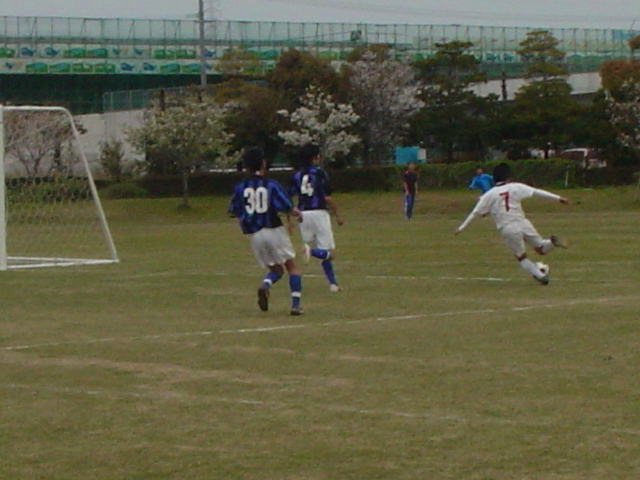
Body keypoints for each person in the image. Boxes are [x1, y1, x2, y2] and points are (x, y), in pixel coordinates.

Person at [454, 162, 569, 285]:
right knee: (541, 248)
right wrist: (558, 198)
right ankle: (551, 242)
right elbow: (536, 192)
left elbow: (475, 213)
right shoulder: (516, 186)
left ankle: (540, 276)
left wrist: (461, 227)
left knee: (521, 257)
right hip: (523, 222)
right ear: (508, 177)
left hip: (508, 227)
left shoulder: (489, 194)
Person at [228, 147, 304, 315]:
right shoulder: (270, 185)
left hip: (255, 234)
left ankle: (265, 285)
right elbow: (285, 205)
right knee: (292, 266)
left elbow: (233, 210)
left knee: (276, 270)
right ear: (263, 163)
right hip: (273, 229)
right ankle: (295, 305)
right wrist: (296, 213)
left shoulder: (240, 187)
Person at [289, 143, 344, 292]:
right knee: (329, 253)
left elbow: (288, 198)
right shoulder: (320, 173)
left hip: (303, 215)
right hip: (319, 213)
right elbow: (326, 197)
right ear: (313, 158)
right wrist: (337, 214)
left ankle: (333, 284)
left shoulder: (297, 175)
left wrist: (289, 221)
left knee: (323, 252)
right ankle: (310, 252)